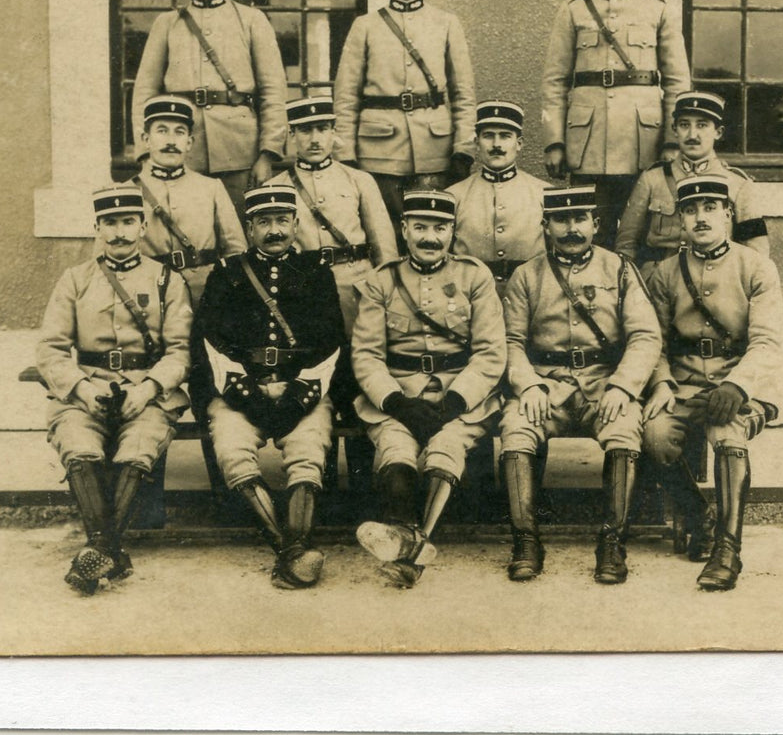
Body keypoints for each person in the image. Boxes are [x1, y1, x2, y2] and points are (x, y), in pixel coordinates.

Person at [499, 186, 662, 585]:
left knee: (625, 427)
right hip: (547, 384)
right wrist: (528, 386)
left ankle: (612, 542)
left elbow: (645, 335)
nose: (571, 228)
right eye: (561, 220)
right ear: (545, 225)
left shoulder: (620, 269)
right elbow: (510, 342)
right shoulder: (526, 275)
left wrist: (623, 387)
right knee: (517, 427)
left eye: (579, 219)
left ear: (596, 224)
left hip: (604, 382)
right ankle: (526, 540)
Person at [191, 186, 352, 589]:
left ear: (296, 224)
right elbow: (211, 344)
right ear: (249, 228)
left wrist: (299, 396)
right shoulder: (226, 275)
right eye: (264, 222)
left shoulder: (316, 273)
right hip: (239, 390)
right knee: (232, 451)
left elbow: (332, 344)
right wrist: (247, 396)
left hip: (302, 388)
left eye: (282, 221)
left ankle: (291, 547)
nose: (274, 231)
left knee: (308, 452)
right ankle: (292, 552)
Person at [36, 187, 193, 595]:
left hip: (147, 391)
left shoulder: (166, 280)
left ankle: (100, 547)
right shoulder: (75, 279)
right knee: (76, 441)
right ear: (97, 228)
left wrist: (150, 388)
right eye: (110, 223)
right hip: (87, 388)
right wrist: (82, 389)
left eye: (128, 223)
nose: (119, 233)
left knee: (140, 444)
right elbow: (50, 349)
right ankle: (110, 550)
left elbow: (180, 352)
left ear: (143, 226)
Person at [349, 190, 505, 588]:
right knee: (396, 449)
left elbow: (490, 352)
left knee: (446, 448)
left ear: (453, 231)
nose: (430, 237)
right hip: (397, 393)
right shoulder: (381, 280)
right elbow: (366, 355)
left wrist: (455, 400)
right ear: (404, 230)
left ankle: (411, 547)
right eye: (420, 227)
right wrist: (396, 402)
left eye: (440, 228)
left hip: (461, 393)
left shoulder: (475, 276)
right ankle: (411, 540)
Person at [642, 176, 783, 591]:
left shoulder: (756, 267)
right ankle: (697, 515)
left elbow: (768, 341)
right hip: (683, 383)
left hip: (741, 381)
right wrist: (661, 384)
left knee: (726, 430)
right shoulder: (665, 273)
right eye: (690, 210)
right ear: (681, 219)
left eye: (709, 208)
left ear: (728, 214)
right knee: (654, 433)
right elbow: (654, 342)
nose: (700, 217)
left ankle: (728, 548)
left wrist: (738, 386)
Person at [540, 0, 691, 247]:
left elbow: (678, 84)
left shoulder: (658, 10)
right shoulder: (574, 10)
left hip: (643, 143)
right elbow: (554, 82)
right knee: (589, 231)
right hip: (586, 144)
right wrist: (554, 142)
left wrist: (670, 141)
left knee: (641, 235)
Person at [130, 0, 290, 208]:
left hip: (239, 153)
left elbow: (273, 92)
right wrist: (146, 153)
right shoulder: (166, 25)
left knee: (238, 237)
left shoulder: (251, 20)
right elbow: (144, 92)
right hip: (180, 151)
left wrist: (268, 154)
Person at [332, 0, 478, 231]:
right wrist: (345, 153)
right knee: (384, 234)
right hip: (378, 154)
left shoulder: (446, 23)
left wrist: (463, 148)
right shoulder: (365, 26)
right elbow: (346, 97)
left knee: (432, 233)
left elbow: (464, 95)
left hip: (434, 153)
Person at [262, 95, 398, 331]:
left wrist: (387, 295)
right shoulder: (273, 188)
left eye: (322, 129)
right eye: (305, 130)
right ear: (291, 135)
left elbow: (385, 249)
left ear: (334, 133)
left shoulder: (360, 180)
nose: (315, 139)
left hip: (356, 289)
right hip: (301, 293)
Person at [615, 89, 769, 271]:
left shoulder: (738, 185)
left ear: (718, 132)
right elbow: (626, 244)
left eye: (702, 125)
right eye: (684, 125)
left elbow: (756, 254)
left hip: (717, 279)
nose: (692, 135)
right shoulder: (652, 179)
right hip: (658, 281)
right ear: (674, 130)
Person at [129, 95, 246, 306]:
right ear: (146, 139)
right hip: (148, 298)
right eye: (162, 131)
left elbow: (236, 252)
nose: (171, 141)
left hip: (205, 297)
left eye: (179, 132)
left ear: (190, 142)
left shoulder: (211, 188)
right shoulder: (127, 191)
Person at [447, 99, 549, 293]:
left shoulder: (544, 193)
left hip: (531, 293)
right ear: (476, 143)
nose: (496, 144)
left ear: (519, 144)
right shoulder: (454, 195)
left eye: (505, 136)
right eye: (488, 136)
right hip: (470, 294)